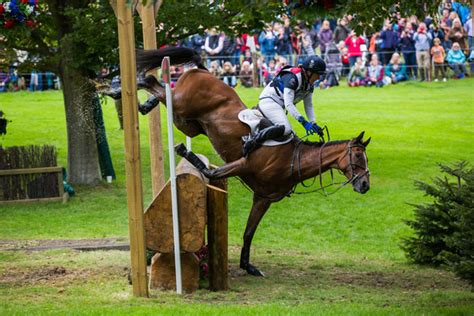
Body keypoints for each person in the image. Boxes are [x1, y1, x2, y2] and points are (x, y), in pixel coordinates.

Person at [242, 56, 327, 155]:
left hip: (278, 104)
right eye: (318, 74)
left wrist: (313, 123)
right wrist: (303, 122)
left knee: (291, 135)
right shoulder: (293, 78)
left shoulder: (309, 84)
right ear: (309, 72)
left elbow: (308, 105)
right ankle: (252, 141)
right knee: (286, 129)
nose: (319, 78)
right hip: (269, 101)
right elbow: (289, 104)